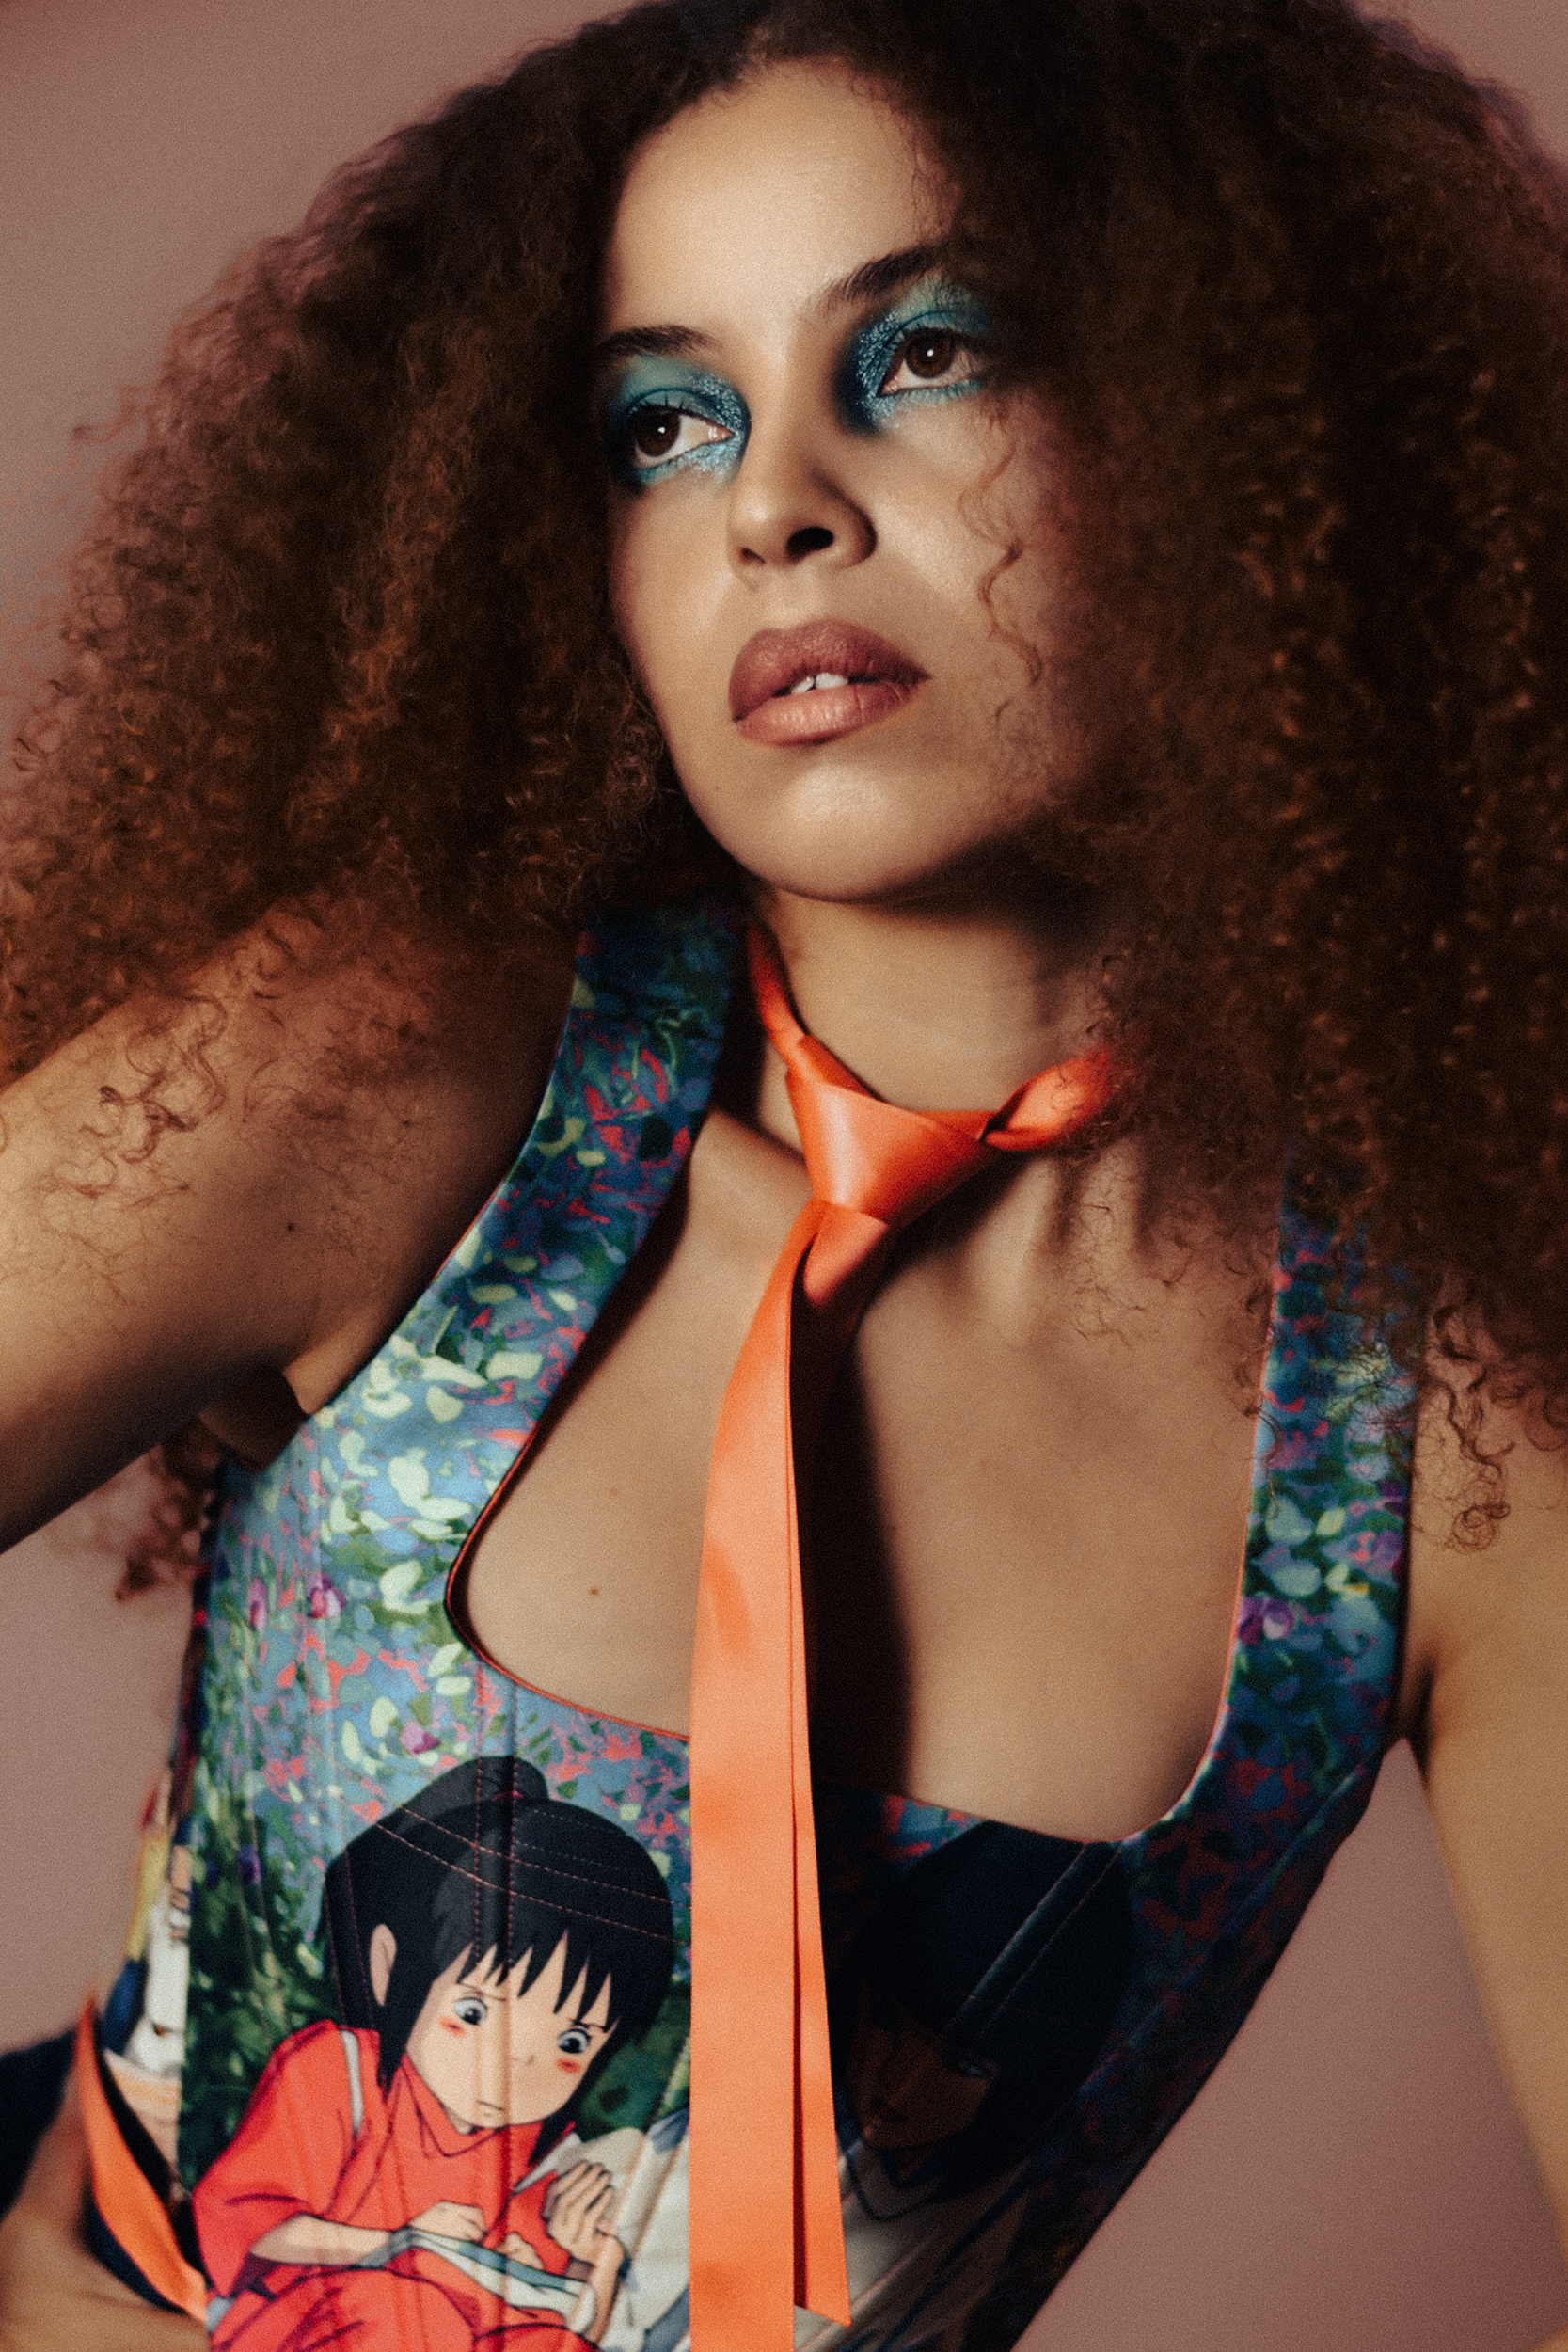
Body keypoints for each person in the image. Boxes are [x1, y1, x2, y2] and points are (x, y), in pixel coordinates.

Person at [4, 0, 1568, 2345]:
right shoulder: (407, 1068)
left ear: (1232, 418)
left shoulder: (1429, 1433)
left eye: (923, 350)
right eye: (665, 419)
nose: (773, 502)